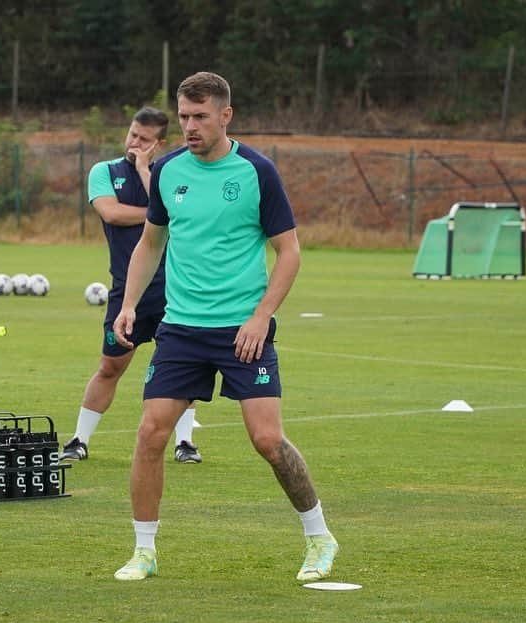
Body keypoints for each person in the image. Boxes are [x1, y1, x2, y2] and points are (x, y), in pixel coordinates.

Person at [111, 72, 338, 582]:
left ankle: (319, 537)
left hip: (242, 329)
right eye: (184, 116)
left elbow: (289, 251)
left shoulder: (257, 172)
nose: (189, 126)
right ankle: (143, 551)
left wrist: (261, 317)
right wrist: (129, 305)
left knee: (267, 440)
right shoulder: (167, 171)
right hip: (181, 330)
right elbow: (150, 242)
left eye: (200, 117)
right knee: (150, 433)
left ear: (225, 116)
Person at [60, 107, 202, 465]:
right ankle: (79, 439)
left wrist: (145, 172)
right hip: (128, 292)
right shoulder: (104, 171)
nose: (134, 142)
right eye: (132, 134)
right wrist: (159, 216)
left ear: (160, 144)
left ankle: (185, 443)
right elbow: (111, 213)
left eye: (144, 139)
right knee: (110, 367)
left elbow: (170, 204)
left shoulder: (171, 172)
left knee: (182, 367)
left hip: (175, 291)